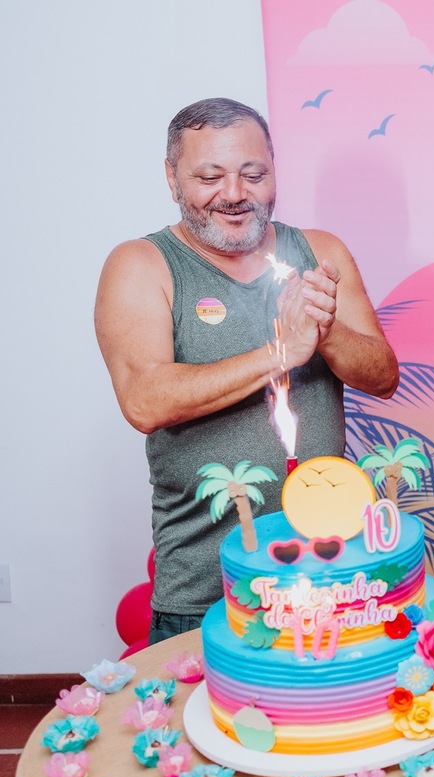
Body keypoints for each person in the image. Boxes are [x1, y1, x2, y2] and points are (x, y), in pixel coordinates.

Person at [95, 98, 399, 645]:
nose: (233, 194)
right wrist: (282, 351)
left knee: (335, 725)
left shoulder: (320, 252)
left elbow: (383, 375)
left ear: (274, 169)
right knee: (205, 730)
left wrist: (325, 330)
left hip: (328, 573)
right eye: (209, 176)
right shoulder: (142, 265)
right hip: (203, 590)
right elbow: (145, 400)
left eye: (252, 174)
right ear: (171, 176)